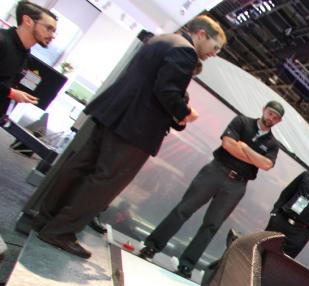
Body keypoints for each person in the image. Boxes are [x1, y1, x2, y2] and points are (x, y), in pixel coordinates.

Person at [32, 15, 226, 259]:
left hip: (113, 115)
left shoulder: (163, 40)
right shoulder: (186, 52)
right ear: (201, 34)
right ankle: (60, 232)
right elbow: (166, 90)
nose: (214, 53)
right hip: (135, 129)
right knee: (104, 184)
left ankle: (45, 220)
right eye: (215, 47)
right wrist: (184, 113)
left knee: (79, 169)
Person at [138, 101, 284, 277]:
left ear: (279, 121)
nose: (271, 118)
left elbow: (266, 165)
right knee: (183, 209)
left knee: (212, 225)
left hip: (237, 185)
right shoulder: (242, 121)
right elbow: (228, 144)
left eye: (276, 117)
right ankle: (152, 246)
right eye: (270, 113)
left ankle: (187, 265)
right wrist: (254, 158)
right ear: (264, 110)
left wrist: (244, 147)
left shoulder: (273, 144)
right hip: (215, 171)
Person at [0, 2, 57, 118]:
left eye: (54, 31)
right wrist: (11, 93)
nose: (53, 36)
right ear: (27, 21)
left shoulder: (25, 55)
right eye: (49, 28)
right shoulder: (2, 41)